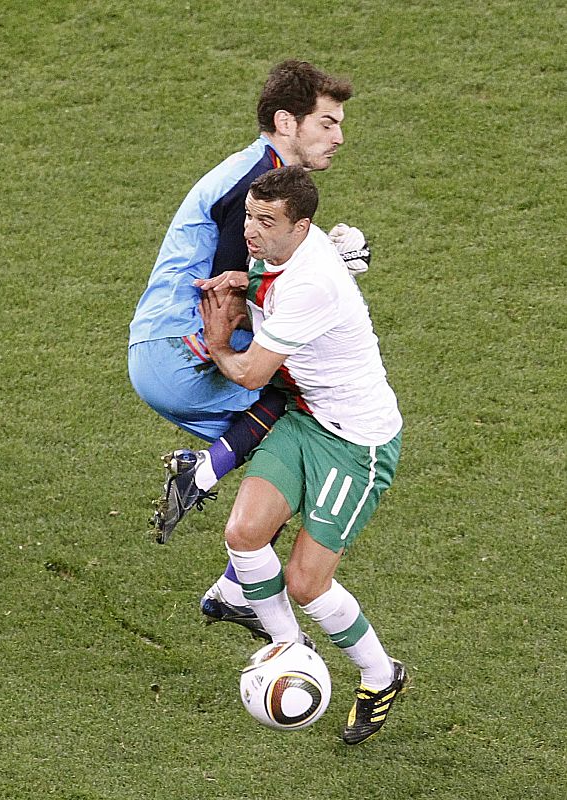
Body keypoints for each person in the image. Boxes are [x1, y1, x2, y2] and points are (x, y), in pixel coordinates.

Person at [128, 60, 369, 636]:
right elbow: (231, 292)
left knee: (294, 465)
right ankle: (200, 475)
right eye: (328, 123)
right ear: (288, 121)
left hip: (161, 350)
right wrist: (337, 273)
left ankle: (235, 589)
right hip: (184, 352)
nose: (338, 137)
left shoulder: (256, 175)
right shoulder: (258, 188)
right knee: (315, 425)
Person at [199, 165, 406, 745]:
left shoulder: (314, 282)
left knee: (306, 582)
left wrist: (218, 341)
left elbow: (248, 372)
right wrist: (243, 284)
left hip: (356, 443)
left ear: (303, 226)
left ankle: (380, 673)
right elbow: (266, 278)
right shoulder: (289, 250)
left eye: (266, 221)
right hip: (306, 418)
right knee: (243, 533)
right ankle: (288, 648)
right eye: (249, 216)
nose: (252, 230)